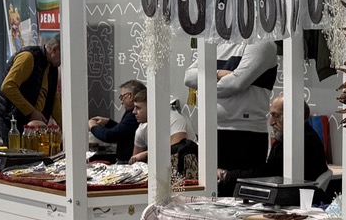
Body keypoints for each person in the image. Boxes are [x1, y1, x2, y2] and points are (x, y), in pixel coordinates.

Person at [183, 36, 277, 174]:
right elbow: (188, 77)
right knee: (209, 184)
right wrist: (219, 74)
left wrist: (204, 83)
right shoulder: (217, 44)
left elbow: (234, 84)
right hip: (211, 131)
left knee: (238, 185)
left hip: (245, 135)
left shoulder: (262, 43)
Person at [220, 94, 329, 197]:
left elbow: (267, 174)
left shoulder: (300, 142)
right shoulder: (301, 136)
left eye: (276, 116)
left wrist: (227, 175)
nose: (271, 122)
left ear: (295, 115)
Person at [0, 34, 60, 135]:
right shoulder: (28, 57)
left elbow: (53, 98)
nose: (63, 61)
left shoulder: (52, 68)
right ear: (54, 49)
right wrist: (31, 111)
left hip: (33, 123)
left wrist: (66, 127)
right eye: (63, 55)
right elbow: (8, 86)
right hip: (12, 120)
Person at [89, 80, 144, 164]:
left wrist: (93, 127)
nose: (121, 102)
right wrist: (108, 122)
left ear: (130, 96)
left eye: (122, 97)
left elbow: (112, 135)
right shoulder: (133, 116)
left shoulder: (133, 115)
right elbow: (123, 131)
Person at [129, 97, 190, 164]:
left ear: (150, 107)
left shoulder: (174, 119)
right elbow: (134, 161)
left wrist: (145, 154)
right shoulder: (142, 128)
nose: (134, 112)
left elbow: (175, 152)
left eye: (138, 108)